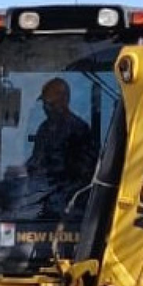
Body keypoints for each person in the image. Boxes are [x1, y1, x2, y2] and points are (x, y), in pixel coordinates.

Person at [22, 78, 99, 218]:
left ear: (64, 100)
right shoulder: (44, 129)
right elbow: (37, 159)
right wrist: (23, 169)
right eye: (44, 104)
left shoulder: (79, 129)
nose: (46, 108)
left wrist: (49, 173)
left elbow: (84, 172)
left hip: (69, 206)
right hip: (44, 201)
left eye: (50, 104)